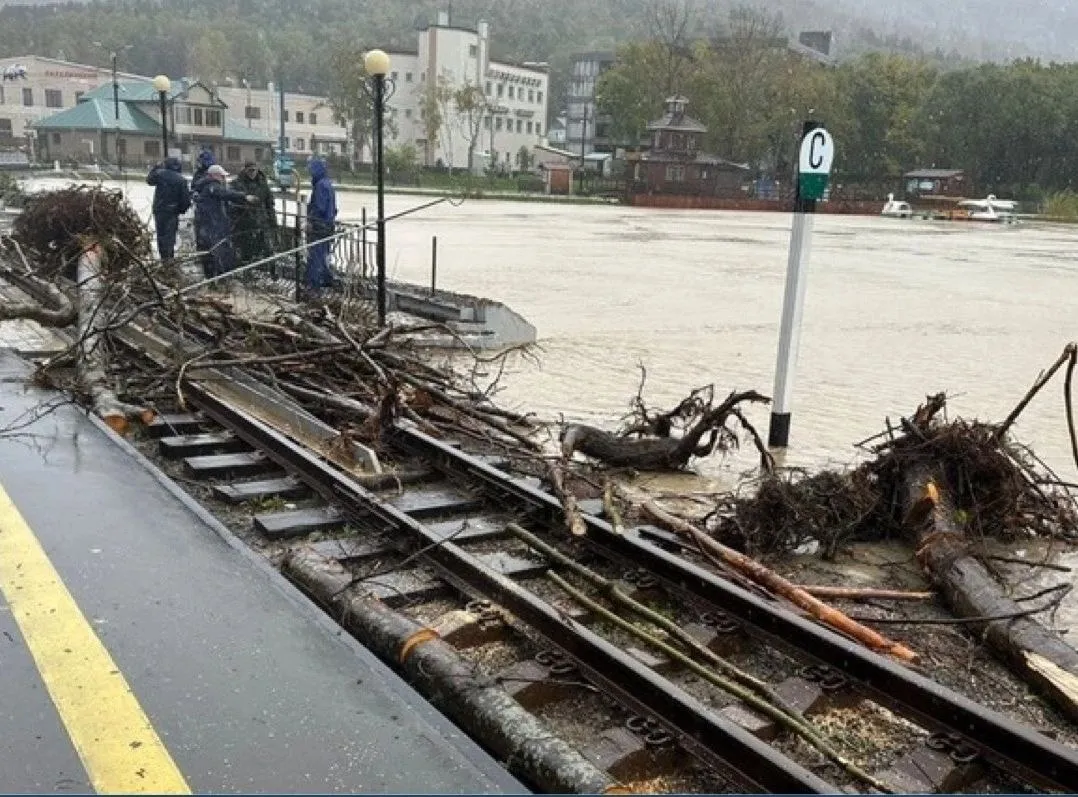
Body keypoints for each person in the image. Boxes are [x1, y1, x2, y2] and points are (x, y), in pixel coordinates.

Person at [196, 164, 257, 281]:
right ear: (215, 176)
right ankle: (219, 278)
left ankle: (213, 277)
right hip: (212, 225)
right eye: (222, 176)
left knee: (211, 252)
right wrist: (245, 197)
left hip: (208, 224)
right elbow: (226, 194)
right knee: (218, 251)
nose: (224, 179)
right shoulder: (212, 186)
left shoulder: (204, 186)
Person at [230, 160, 277, 267]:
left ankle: (270, 271)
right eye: (249, 170)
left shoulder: (263, 183)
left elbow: (270, 203)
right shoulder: (237, 183)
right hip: (244, 221)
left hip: (261, 220)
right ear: (245, 170)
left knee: (267, 248)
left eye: (254, 170)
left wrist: (273, 220)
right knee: (246, 250)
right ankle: (248, 271)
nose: (252, 173)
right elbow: (232, 202)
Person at [145, 156, 190, 262]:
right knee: (169, 237)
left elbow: (149, 180)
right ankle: (169, 259)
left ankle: (163, 258)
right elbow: (185, 200)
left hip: (159, 210)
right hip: (172, 212)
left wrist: (156, 167)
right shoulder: (181, 180)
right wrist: (180, 210)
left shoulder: (160, 175)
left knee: (161, 236)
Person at [305, 158, 338, 291]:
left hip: (320, 226)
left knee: (316, 256)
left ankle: (314, 287)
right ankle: (326, 280)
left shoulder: (320, 186)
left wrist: (311, 221)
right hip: (327, 225)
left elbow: (319, 207)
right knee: (323, 255)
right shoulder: (327, 184)